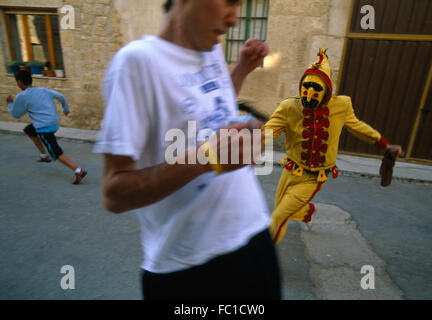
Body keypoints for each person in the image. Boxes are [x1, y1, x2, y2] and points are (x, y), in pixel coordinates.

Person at [93, 0, 281, 300]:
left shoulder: (211, 50)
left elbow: (214, 112)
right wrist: (207, 158)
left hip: (255, 236)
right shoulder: (136, 63)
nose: (234, 19)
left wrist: (242, 70)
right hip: (192, 270)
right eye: (229, 2)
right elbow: (114, 194)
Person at [262, 49, 404, 244]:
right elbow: (266, 132)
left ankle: (261, 266)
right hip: (290, 170)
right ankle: (306, 211)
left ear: (327, 91)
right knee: (281, 207)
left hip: (313, 177)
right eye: (306, 86)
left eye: (316, 88)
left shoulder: (342, 105)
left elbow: (358, 127)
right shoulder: (289, 107)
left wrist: (384, 144)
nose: (309, 93)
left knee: (278, 217)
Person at [7, 70, 87, 184]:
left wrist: (10, 103)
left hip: (45, 127)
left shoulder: (21, 96)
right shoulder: (43, 90)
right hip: (53, 122)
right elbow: (61, 96)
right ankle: (44, 155)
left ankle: (78, 170)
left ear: (19, 82)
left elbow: (16, 115)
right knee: (29, 130)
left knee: (56, 153)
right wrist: (66, 110)